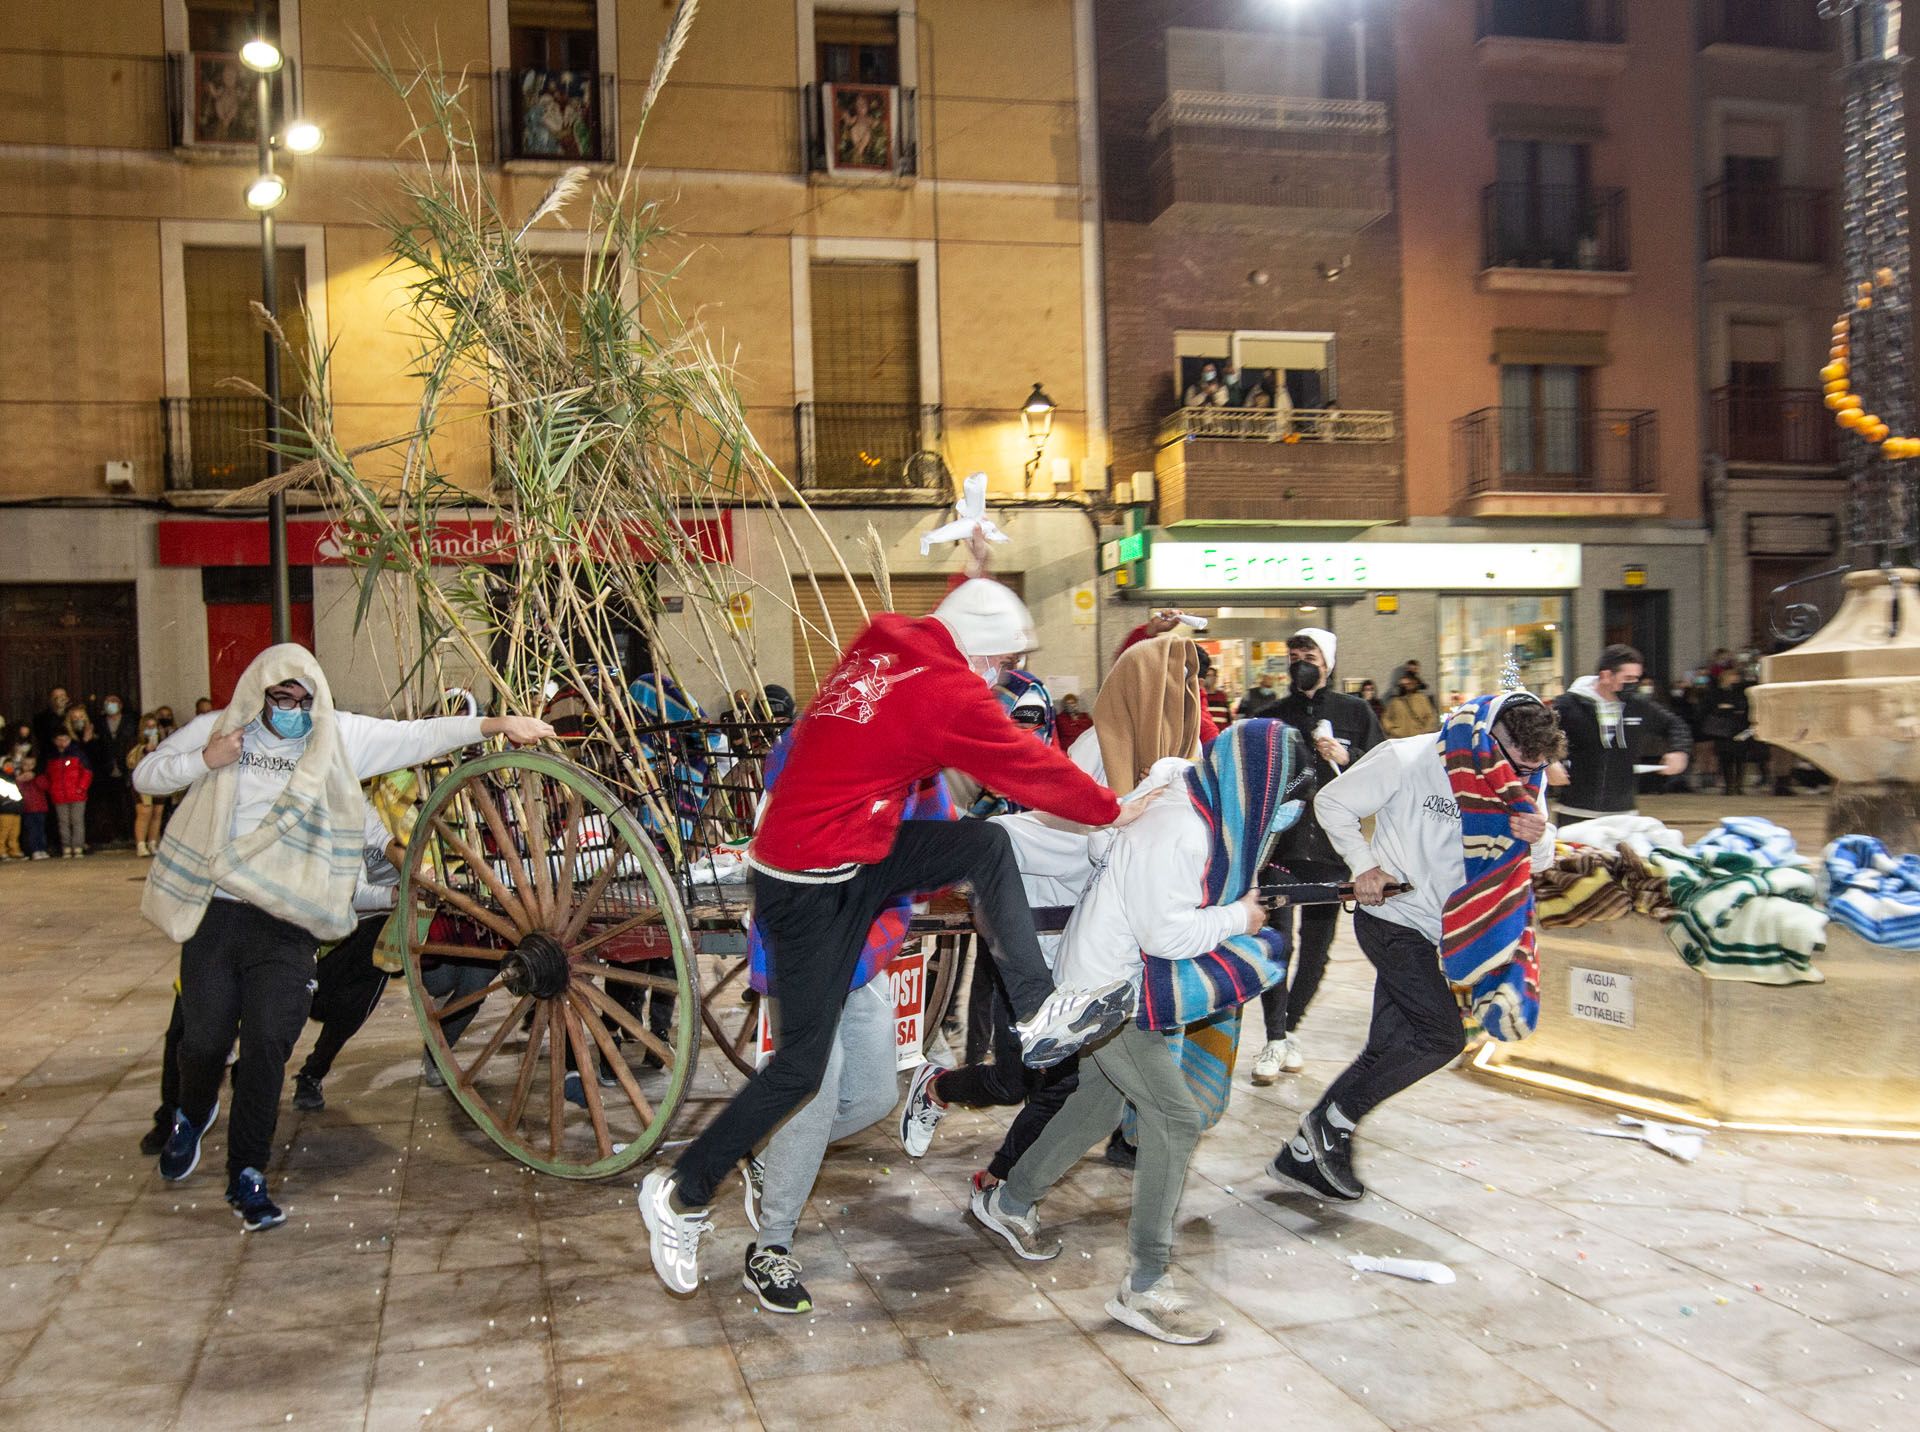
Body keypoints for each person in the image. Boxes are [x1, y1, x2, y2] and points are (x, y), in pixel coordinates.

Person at [638, 579, 1149, 1295]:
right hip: (808, 888)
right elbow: (1025, 765)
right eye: (1000, 663)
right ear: (973, 652)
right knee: (800, 1072)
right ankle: (680, 1194)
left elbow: (937, 666)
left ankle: (1036, 1014)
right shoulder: (945, 691)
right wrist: (1111, 810)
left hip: (861, 858)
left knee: (983, 847)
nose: (1001, 678)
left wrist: (977, 574)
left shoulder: (887, 642)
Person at [132, 643, 554, 1230]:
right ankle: (191, 1110)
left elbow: (415, 736)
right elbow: (146, 774)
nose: (293, 711)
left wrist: (497, 723)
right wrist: (205, 759)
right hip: (219, 912)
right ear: (259, 694)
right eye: (281, 699)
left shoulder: (335, 738)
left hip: (289, 922)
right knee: (202, 1040)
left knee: (268, 1045)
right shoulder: (222, 729)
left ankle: (246, 1175)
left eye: (304, 700)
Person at [969, 720, 1301, 1345]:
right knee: (1173, 1118)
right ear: (1255, 787)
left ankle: (1010, 1202)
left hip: (1103, 977)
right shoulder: (1182, 828)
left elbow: (1114, 860)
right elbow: (1165, 936)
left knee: (1098, 1102)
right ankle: (1145, 1285)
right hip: (1104, 991)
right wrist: (1242, 917)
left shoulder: (1182, 794)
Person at [1270, 694, 1562, 1202]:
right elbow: (1333, 802)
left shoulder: (1521, 779)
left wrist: (1538, 836)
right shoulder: (1410, 757)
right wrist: (1363, 865)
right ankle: (1324, 1127)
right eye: (1517, 766)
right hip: (1394, 920)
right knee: (1441, 1037)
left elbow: (1535, 863)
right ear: (1489, 741)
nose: (1521, 779)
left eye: (1534, 771)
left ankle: (1304, 1154)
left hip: (1446, 932)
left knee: (1387, 1048)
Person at [738, 734, 956, 1314]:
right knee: (816, 1087)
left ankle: (765, 1158)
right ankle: (770, 1250)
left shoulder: (920, 770)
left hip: (861, 955)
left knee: (876, 1096)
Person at [1244, 628, 1383, 1083]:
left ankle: (1288, 1029)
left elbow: (1384, 769)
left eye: (1310, 654)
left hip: (1331, 849)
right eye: (1295, 654)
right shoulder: (1271, 716)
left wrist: (1348, 752)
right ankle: (1274, 1038)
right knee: (1278, 946)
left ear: (1328, 662)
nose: (1301, 661)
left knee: (1318, 952)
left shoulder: (1354, 712)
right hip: (1279, 850)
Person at [291, 806, 406, 1112]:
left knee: (368, 983)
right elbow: (348, 894)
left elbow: (385, 840)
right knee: (287, 1006)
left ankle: (313, 1071)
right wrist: (395, 895)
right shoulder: (341, 803)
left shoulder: (386, 805)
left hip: (371, 929)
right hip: (320, 932)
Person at [1549, 645, 1691, 821]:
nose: (1633, 684)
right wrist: (1549, 762)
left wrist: (1679, 750)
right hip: (1574, 811)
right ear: (1606, 676)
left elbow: (1675, 724)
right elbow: (1539, 733)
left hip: (1623, 814)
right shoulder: (1569, 705)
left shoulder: (1638, 705)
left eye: (1636, 678)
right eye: (1628, 678)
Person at [86, 694, 133, 848]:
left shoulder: (129, 721)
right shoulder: (99, 723)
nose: (110, 705)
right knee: (108, 804)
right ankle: (111, 834)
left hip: (124, 767)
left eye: (113, 702)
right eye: (107, 703)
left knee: (126, 802)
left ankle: (128, 834)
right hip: (105, 768)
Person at [46, 730, 92, 858]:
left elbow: (87, 773)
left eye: (65, 739)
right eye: (59, 739)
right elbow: (48, 776)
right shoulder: (52, 757)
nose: (62, 742)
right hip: (59, 795)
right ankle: (66, 846)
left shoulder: (77, 754)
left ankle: (78, 846)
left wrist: (81, 788)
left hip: (77, 794)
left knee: (77, 821)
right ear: (55, 741)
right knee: (63, 822)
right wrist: (52, 789)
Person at [129, 714, 167, 856]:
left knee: (157, 813)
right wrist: (146, 749)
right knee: (145, 812)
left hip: (159, 781)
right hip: (142, 782)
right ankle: (140, 844)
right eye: (148, 727)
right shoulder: (136, 743)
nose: (151, 730)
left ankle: (152, 843)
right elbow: (131, 761)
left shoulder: (164, 743)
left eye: (154, 727)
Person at [1380, 671, 1439, 739]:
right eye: (1403, 684)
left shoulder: (1422, 699)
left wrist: (1424, 732)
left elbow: (1430, 717)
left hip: (1418, 739)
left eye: (1409, 684)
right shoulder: (1395, 702)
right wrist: (1392, 730)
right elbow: (1385, 718)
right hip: (1400, 740)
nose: (1406, 686)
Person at [17, 754, 50, 859]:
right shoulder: (20, 777)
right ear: (22, 765)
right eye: (26, 764)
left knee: (41, 830)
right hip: (27, 808)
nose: (29, 767)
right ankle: (35, 850)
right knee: (32, 830)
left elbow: (45, 786)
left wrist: (36, 777)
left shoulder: (39, 775)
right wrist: (20, 780)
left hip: (40, 808)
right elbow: (17, 790)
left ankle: (42, 849)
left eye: (31, 764)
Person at [32, 686, 69, 756]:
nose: (60, 699)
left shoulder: (73, 714)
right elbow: (44, 737)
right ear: (51, 700)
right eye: (56, 697)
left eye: (62, 696)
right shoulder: (41, 718)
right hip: (51, 754)